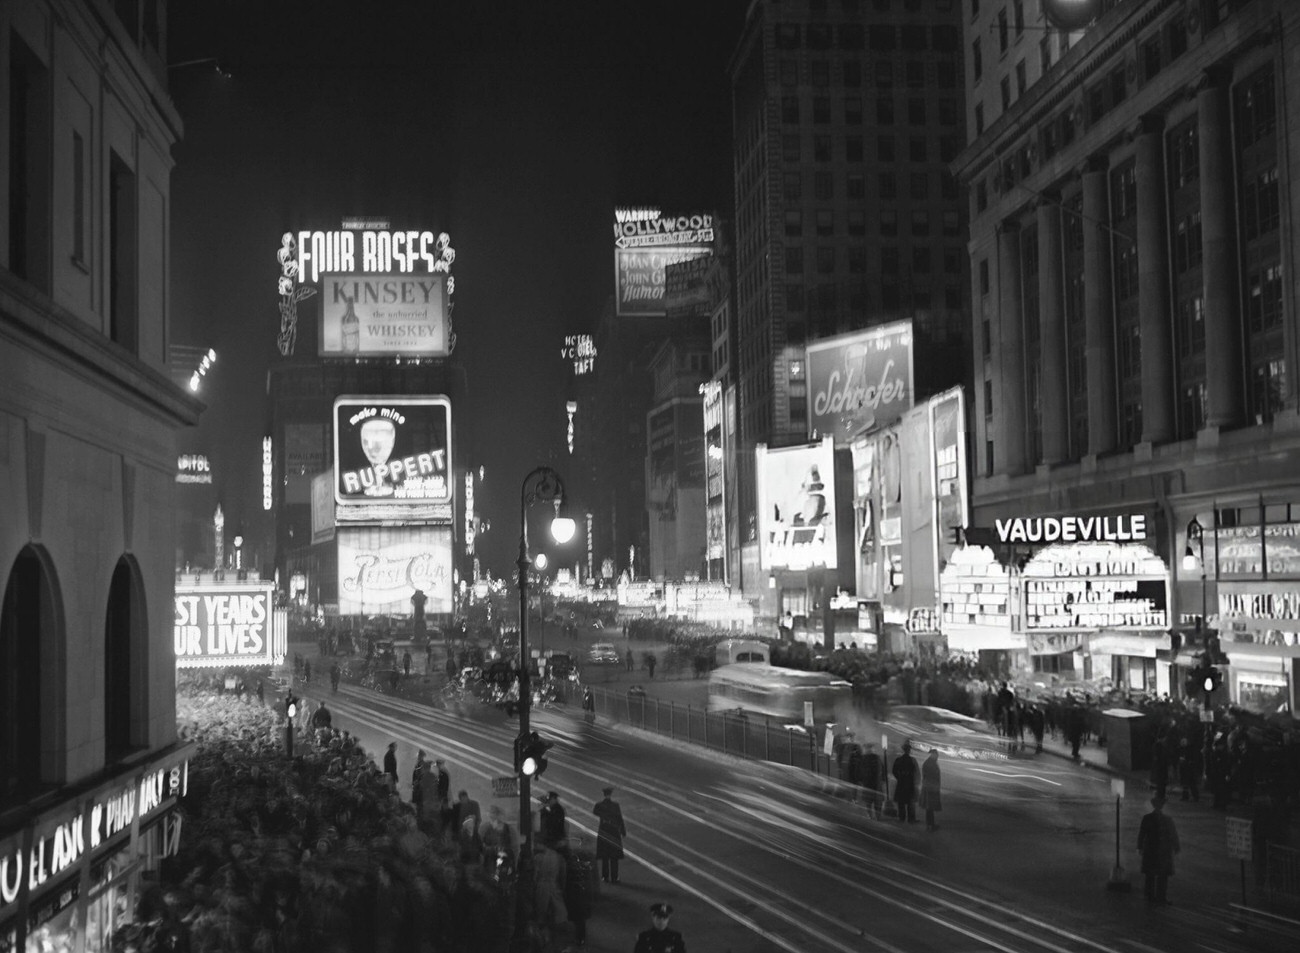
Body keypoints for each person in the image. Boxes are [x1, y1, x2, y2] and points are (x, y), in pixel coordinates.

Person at [1137, 795, 1180, 905]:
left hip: (1151, 849)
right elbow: (1173, 834)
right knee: (1162, 875)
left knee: (1151, 875)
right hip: (1163, 850)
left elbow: (1142, 834)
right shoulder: (1167, 819)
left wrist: (1140, 846)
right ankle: (1160, 897)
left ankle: (1150, 896)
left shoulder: (1147, 818)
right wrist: (1176, 846)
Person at [532, 840, 568, 946]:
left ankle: (542, 942)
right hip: (554, 888)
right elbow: (563, 877)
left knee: (541, 915)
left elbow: (534, 876)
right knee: (556, 916)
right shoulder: (560, 859)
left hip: (541, 889)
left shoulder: (537, 858)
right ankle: (554, 942)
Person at [594, 786, 628, 884]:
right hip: (614, 832)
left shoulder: (599, 805)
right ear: (610, 794)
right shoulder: (615, 805)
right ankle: (615, 877)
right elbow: (619, 818)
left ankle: (605, 876)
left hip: (604, 831)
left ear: (604, 795)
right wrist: (623, 831)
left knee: (605, 856)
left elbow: (595, 811)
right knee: (614, 857)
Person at [480, 804, 515, 878]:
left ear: (497, 814)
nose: (491, 815)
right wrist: (491, 849)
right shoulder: (485, 827)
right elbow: (481, 844)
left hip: (503, 858)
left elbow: (511, 844)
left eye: (493, 813)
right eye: (490, 812)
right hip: (490, 859)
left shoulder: (506, 828)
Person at [891, 740, 920, 823]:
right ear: (909, 751)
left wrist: (899, 778)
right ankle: (911, 819)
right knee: (910, 802)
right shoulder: (912, 760)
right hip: (910, 783)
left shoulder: (898, 760)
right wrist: (916, 782)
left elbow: (894, 771)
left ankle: (901, 818)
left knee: (901, 802)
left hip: (901, 783)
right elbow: (916, 772)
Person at [859, 742, 884, 819]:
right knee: (877, 801)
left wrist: (860, 780)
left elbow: (859, 770)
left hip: (867, 783)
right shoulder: (877, 758)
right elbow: (882, 769)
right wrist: (883, 779)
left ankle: (870, 815)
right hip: (876, 783)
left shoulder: (863, 758)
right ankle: (878, 816)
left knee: (868, 801)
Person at [919, 749, 942, 831]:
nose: (937, 757)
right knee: (930, 807)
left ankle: (929, 824)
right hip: (931, 788)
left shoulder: (928, 762)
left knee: (929, 808)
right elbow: (933, 776)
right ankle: (930, 825)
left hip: (928, 787)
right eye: (937, 755)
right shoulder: (931, 763)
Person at [435, 758, 452, 829]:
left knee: (443, 811)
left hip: (443, 796)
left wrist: (441, 797)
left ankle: (444, 825)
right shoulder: (443, 772)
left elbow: (443, 787)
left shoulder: (443, 774)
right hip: (443, 796)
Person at [411, 750, 429, 819]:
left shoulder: (423, 765)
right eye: (418, 756)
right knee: (418, 805)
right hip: (417, 789)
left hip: (421, 789)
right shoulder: (417, 765)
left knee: (420, 805)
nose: (418, 758)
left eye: (419, 756)